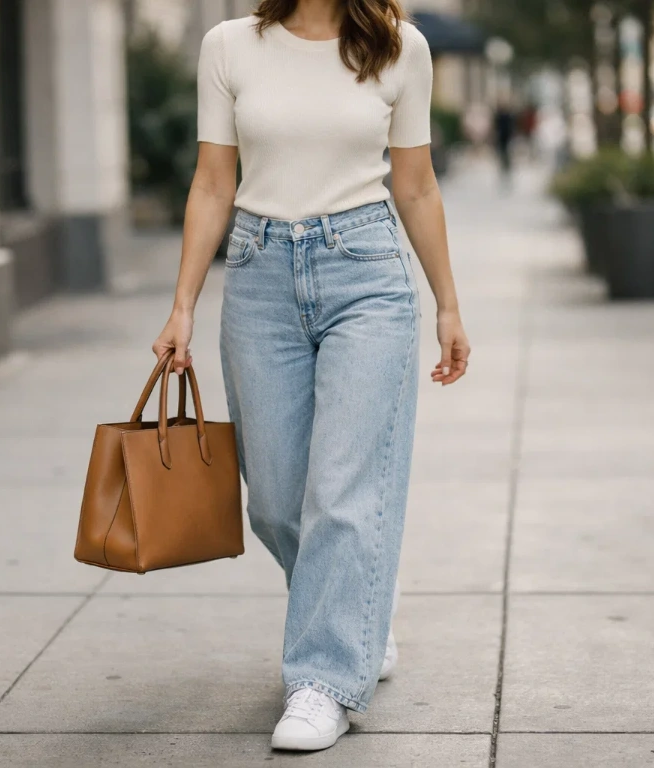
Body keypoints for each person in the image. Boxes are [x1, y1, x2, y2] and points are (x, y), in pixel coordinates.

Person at [151, 0, 470, 752]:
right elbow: (210, 183)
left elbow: (417, 185)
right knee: (273, 498)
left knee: (342, 490)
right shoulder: (229, 46)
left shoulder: (400, 50)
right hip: (259, 273)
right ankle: (361, 613)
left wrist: (448, 305)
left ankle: (323, 681)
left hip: (367, 272)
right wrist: (182, 305)